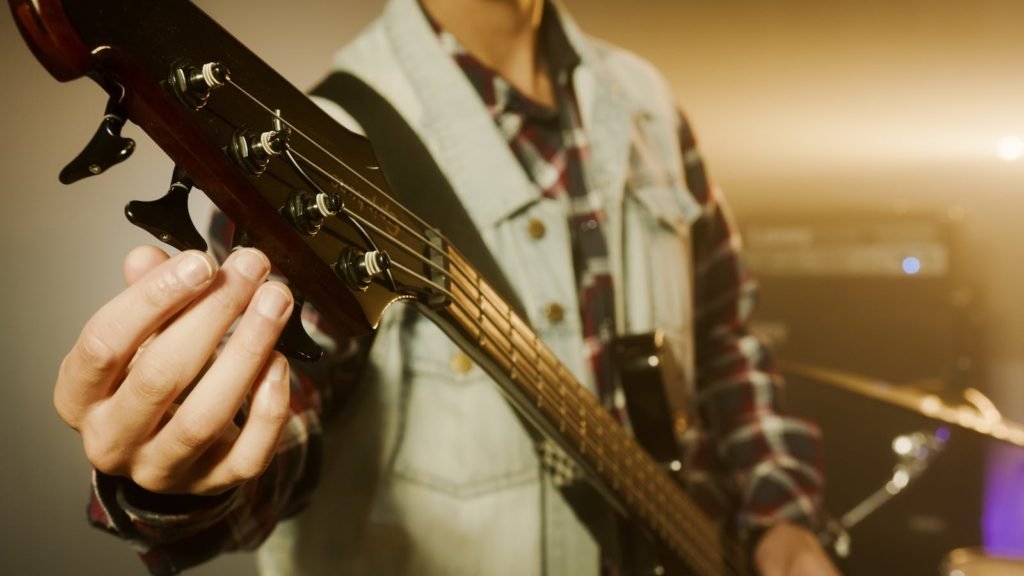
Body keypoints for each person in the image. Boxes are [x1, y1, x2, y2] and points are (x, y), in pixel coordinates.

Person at [54, 0, 839, 574]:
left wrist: (780, 518)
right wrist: (180, 473)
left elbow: (728, 339)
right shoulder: (323, 147)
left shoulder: (648, 105)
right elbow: (282, 418)